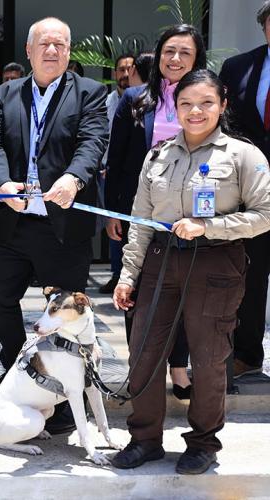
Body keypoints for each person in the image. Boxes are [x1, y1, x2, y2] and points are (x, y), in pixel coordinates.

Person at [111, 69, 270, 474]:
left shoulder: (243, 155)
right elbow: (141, 221)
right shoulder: (158, 155)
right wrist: (129, 275)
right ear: (174, 107)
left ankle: (202, 444)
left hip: (216, 261)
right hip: (161, 261)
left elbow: (264, 215)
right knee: (144, 352)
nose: (195, 111)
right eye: (186, 104)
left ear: (222, 105)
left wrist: (209, 226)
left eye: (205, 103)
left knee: (209, 356)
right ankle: (144, 438)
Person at [0, 17, 108, 436]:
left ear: (68, 52)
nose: (51, 50)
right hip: (13, 223)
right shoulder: (4, 94)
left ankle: (70, 398)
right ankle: (24, 371)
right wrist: (2, 184)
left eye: (60, 44)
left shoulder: (90, 93)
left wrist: (73, 178)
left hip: (63, 225)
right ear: (29, 50)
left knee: (68, 317)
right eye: (43, 44)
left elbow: (92, 142)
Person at [105, 25, 207, 399]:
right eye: (169, 51)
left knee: (184, 293)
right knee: (134, 292)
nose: (175, 59)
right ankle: (140, 368)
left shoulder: (205, 99)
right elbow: (115, 163)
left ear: (197, 60)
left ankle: (179, 369)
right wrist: (113, 212)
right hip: (140, 214)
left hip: (191, 217)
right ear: (158, 55)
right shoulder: (134, 99)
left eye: (185, 52)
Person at [219, 0, 270, 378]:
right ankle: (247, 354)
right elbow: (229, 126)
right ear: (264, 27)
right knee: (251, 272)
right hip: (253, 190)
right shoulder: (237, 68)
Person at [98, 53, 134, 294]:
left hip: (134, 173)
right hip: (106, 171)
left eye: (129, 70)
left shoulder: (144, 100)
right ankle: (115, 272)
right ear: (114, 73)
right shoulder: (106, 101)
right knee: (114, 224)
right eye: (120, 70)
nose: (124, 74)